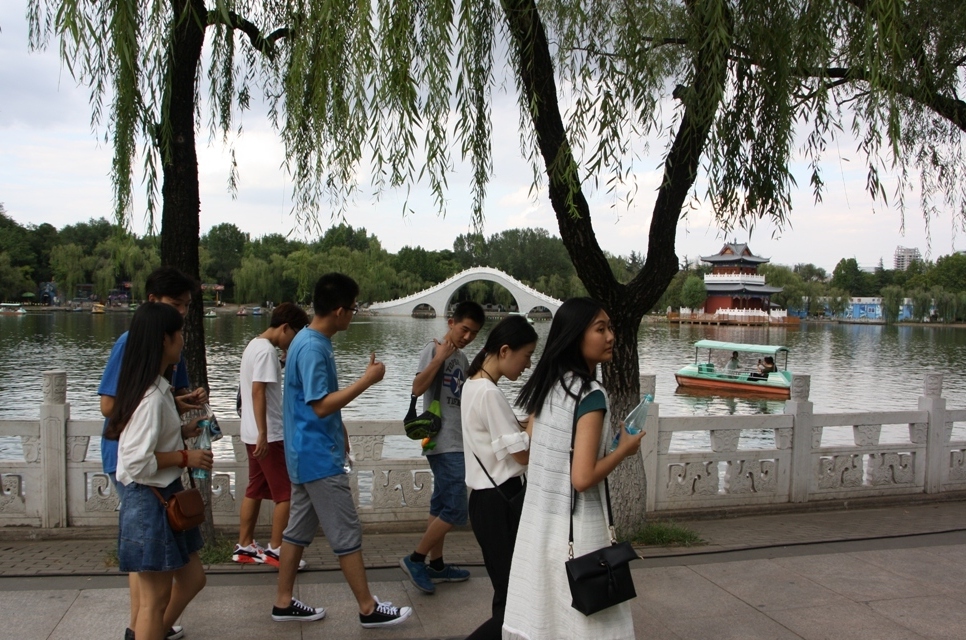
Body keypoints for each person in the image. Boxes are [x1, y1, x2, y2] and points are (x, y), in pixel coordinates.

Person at [271, 273, 412, 628]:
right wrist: (367, 381)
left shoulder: (304, 339)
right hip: (318, 458)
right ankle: (368, 608)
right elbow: (319, 405)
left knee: (296, 532)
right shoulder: (315, 347)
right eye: (352, 308)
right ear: (338, 311)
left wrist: (342, 428)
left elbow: (310, 403)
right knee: (346, 533)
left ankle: (283, 602)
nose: (353, 314)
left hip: (303, 452)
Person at [503, 298, 643, 640]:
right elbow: (581, 479)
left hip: (539, 529)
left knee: (546, 620)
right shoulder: (591, 394)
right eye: (600, 329)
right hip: (580, 532)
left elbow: (534, 447)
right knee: (589, 626)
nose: (611, 336)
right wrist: (624, 450)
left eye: (610, 328)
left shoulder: (549, 386)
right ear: (575, 336)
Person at [98, 266, 206, 640]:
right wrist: (183, 456)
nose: (183, 322)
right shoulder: (142, 378)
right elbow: (133, 453)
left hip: (161, 487)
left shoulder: (158, 387)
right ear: (163, 338)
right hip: (149, 491)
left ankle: (149, 631)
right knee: (152, 598)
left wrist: (178, 423)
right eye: (177, 313)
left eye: (185, 307)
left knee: (171, 588)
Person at [399, 300, 485, 594]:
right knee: (457, 508)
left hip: (458, 441)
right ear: (451, 322)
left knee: (440, 506)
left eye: (474, 332)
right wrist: (438, 358)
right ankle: (416, 559)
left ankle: (436, 566)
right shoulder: (433, 348)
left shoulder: (462, 359)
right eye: (464, 329)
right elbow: (416, 387)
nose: (467, 336)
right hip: (442, 441)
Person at [460, 315, 537, 639]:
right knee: (514, 600)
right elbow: (522, 454)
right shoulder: (489, 393)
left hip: (486, 500)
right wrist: (538, 414)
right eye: (526, 356)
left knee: (507, 592)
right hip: (500, 501)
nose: (528, 364)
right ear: (505, 350)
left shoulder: (473, 384)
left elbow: (500, 435)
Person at [232, 302, 309, 567]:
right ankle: (277, 549)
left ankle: (244, 546)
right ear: (285, 327)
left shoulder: (255, 345)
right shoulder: (265, 351)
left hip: (250, 431)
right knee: (286, 493)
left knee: (254, 487)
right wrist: (265, 433)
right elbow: (257, 391)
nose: (295, 341)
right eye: (296, 335)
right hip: (269, 434)